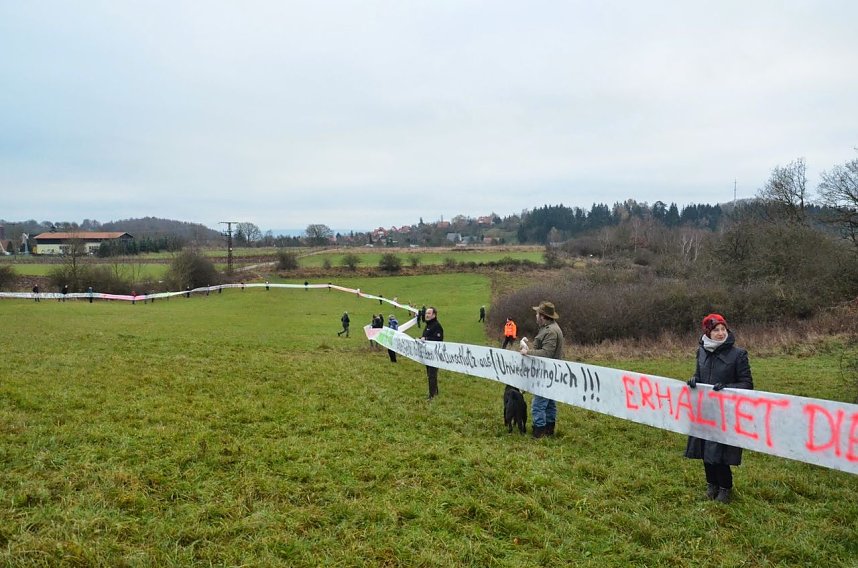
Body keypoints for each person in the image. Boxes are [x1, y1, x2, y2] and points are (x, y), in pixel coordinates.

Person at [685, 313, 753, 504]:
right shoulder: (701, 352)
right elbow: (699, 375)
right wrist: (694, 380)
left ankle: (725, 488)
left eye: (723, 329)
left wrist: (727, 387)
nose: (721, 333)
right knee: (705, 448)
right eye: (716, 330)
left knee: (720, 452)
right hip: (705, 410)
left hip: (726, 412)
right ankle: (711, 484)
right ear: (708, 332)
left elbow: (747, 384)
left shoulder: (738, 355)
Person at [520, 301, 564, 438]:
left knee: (538, 404)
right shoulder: (549, 328)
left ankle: (539, 432)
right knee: (550, 402)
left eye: (537, 313)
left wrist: (528, 353)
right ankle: (549, 430)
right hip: (550, 373)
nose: (536, 316)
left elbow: (546, 354)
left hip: (547, 373)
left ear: (543, 316)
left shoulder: (551, 331)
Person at [420, 307, 444, 399]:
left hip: (434, 355)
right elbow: (425, 337)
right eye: (426, 313)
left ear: (434, 315)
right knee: (430, 374)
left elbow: (438, 339)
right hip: (427, 354)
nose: (426, 315)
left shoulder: (437, 326)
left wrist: (426, 339)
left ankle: (432, 396)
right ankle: (435, 392)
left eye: (429, 313)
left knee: (432, 375)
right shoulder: (428, 325)